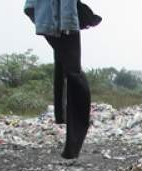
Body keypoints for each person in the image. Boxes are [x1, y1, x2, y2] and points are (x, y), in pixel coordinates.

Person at [23, 0, 100, 160]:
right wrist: (68, 22)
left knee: (63, 61)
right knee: (74, 72)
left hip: (48, 16)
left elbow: (30, 7)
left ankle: (61, 115)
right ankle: (72, 146)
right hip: (62, 20)